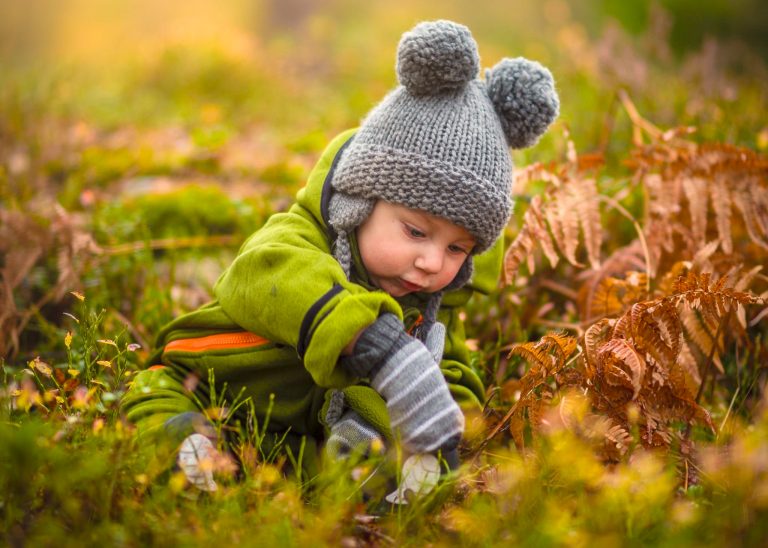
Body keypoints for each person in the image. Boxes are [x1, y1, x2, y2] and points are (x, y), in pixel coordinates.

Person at [121, 19, 559, 492]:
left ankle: (352, 475)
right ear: (360, 203)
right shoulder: (296, 240)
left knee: (362, 458)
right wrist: (376, 344)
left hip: (294, 433)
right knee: (159, 401)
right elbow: (264, 274)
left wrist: (442, 423)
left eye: (457, 248)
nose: (432, 262)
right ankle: (186, 448)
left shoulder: (429, 304)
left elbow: (450, 367)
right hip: (207, 381)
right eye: (415, 232)